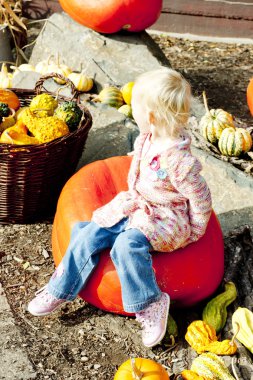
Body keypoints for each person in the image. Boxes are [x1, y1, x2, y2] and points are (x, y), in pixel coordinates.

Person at [27, 68, 212, 348]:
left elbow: (200, 195)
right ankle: (59, 289)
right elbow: (142, 160)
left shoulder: (180, 161)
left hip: (164, 217)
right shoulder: (147, 138)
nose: (133, 113)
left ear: (151, 116)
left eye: (135, 109)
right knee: (89, 232)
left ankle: (150, 302)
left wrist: (197, 227)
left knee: (126, 246)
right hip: (136, 203)